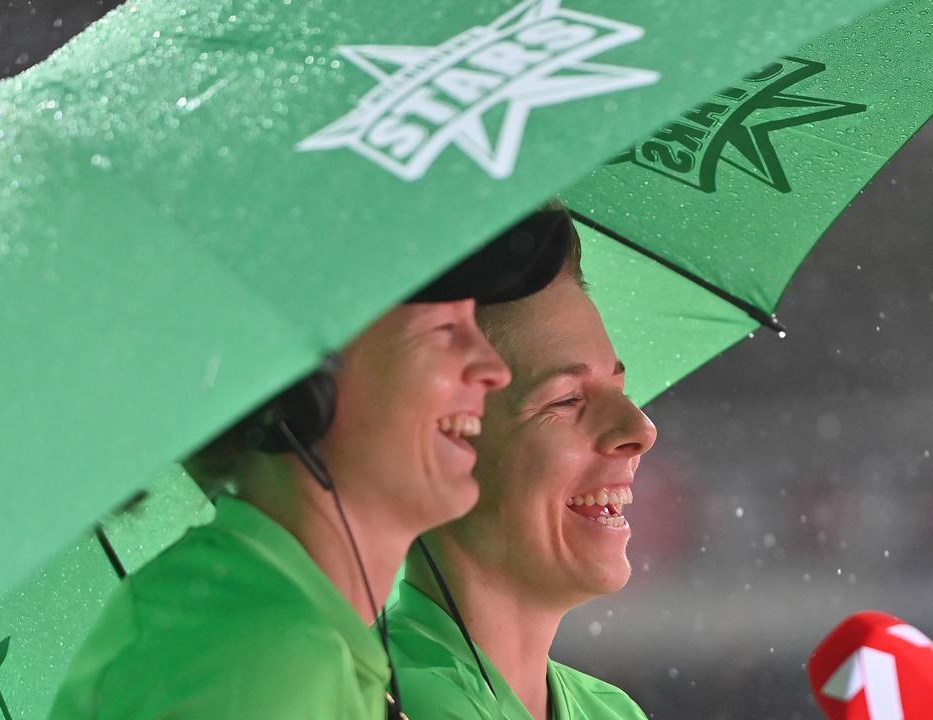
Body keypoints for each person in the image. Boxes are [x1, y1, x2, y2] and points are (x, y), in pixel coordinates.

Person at [46, 214, 570, 720]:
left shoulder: (278, 633)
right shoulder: (263, 664)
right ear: (305, 380)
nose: (493, 369)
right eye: (443, 327)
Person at [387, 203, 658, 720]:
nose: (640, 430)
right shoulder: (360, 701)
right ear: (440, 444)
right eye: (565, 400)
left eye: (619, 388)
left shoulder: (613, 712)